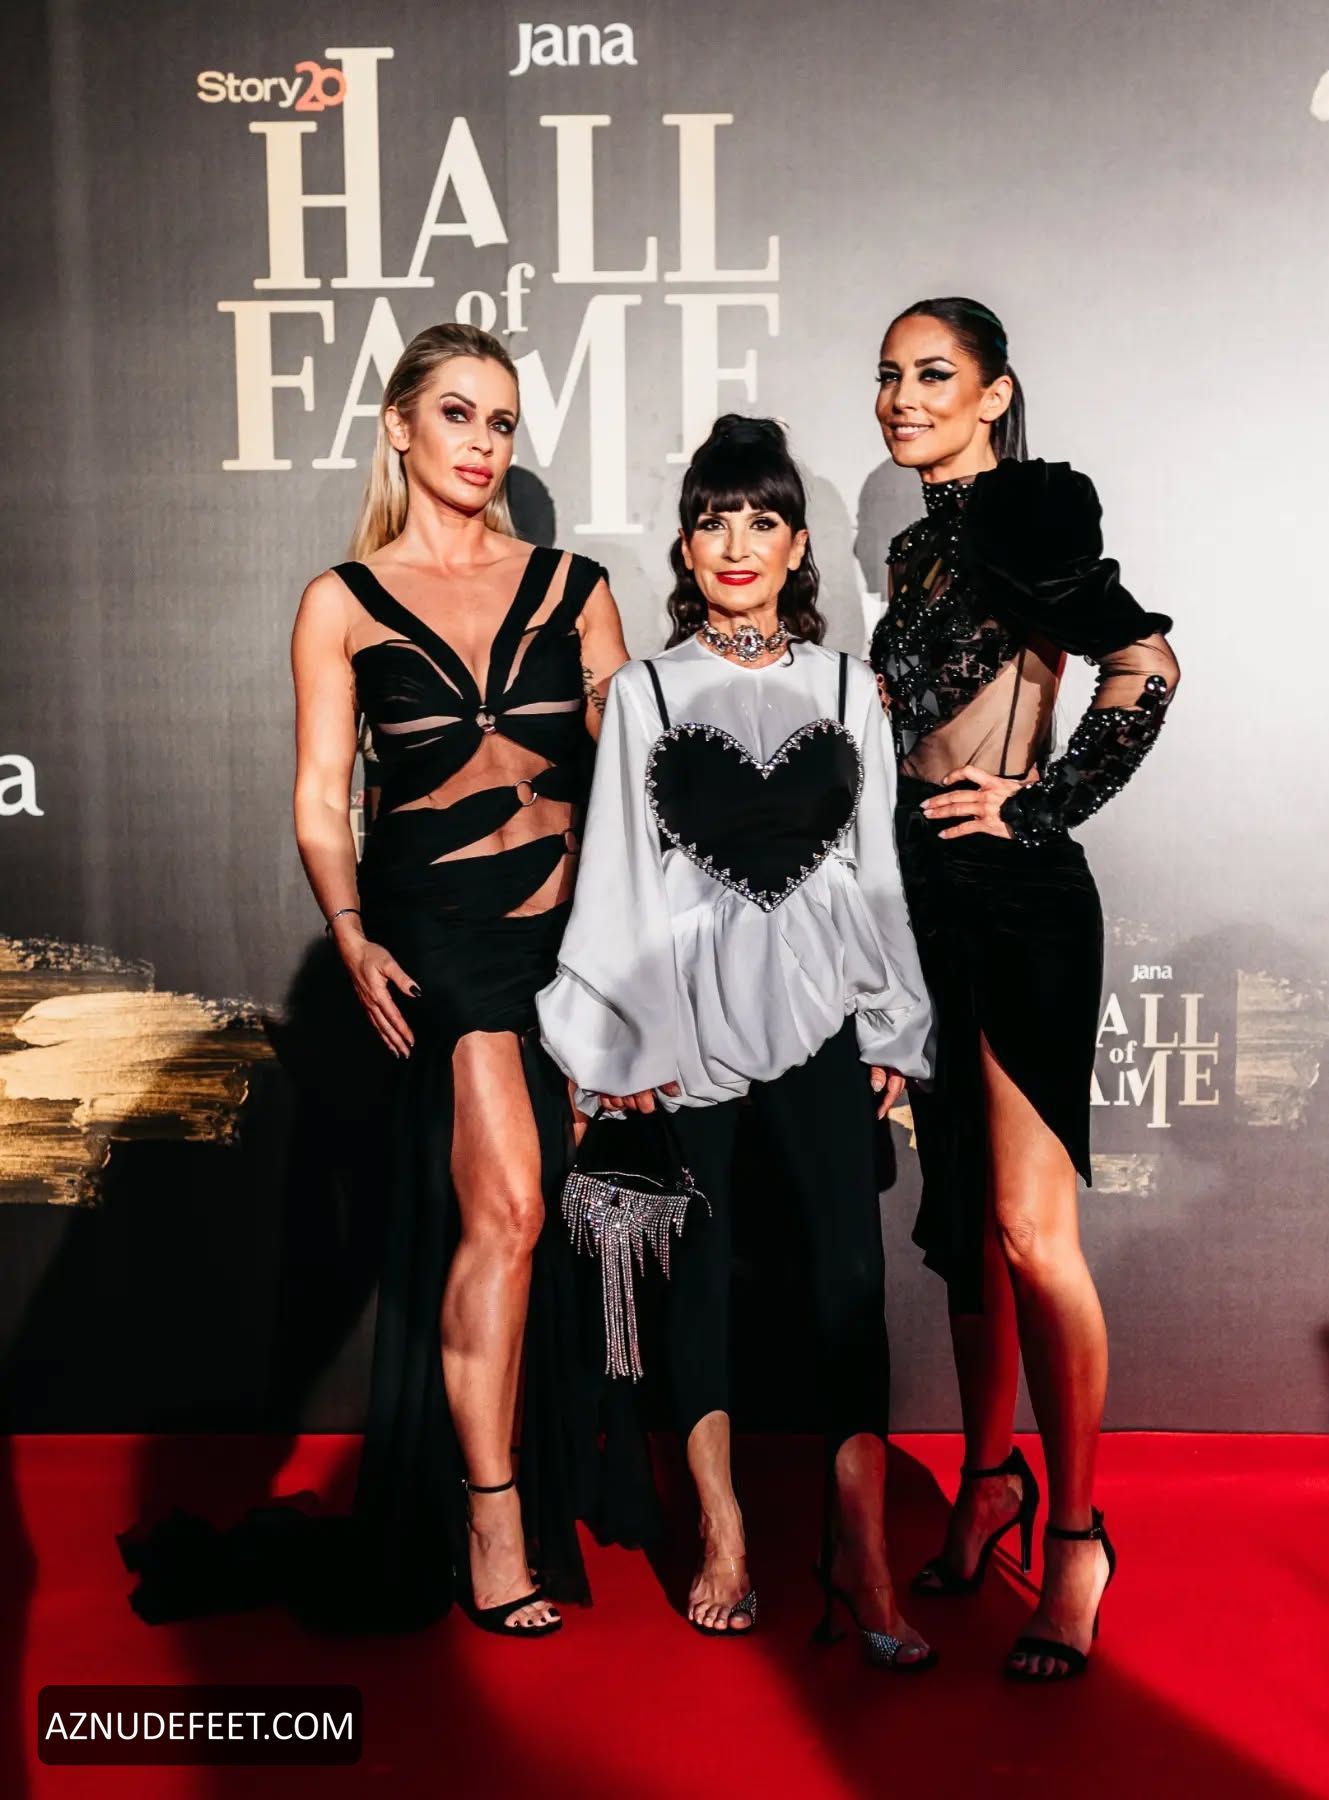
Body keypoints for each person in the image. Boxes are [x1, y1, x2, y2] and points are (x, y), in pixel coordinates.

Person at [120, 323, 628, 1637]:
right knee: (510, 1209)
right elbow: (319, 793)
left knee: (524, 1224)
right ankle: (492, 1514)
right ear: (399, 425)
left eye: (502, 421)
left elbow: (633, 772)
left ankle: (508, 1476)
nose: (482, 443)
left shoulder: (576, 586)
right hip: (439, 936)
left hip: (567, 938)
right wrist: (348, 932)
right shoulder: (340, 602)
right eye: (456, 413)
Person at [537, 415, 938, 1671]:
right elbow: (619, 872)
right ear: (686, 544)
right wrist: (624, 1038)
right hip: (688, 1020)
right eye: (714, 520)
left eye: (763, 520)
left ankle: (862, 1551)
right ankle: (723, 1531)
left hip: (823, 1013)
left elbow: (877, 870)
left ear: (799, 545)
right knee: (700, 1272)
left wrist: (895, 1016)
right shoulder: (644, 694)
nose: (737, 543)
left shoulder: (848, 690)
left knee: (849, 1279)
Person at [869, 297, 1180, 1681]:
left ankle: (1077, 1537)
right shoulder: (915, 546)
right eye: (889, 375)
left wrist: (1042, 803)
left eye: (934, 374)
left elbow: (1145, 661)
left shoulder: (1027, 511)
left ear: (995, 394)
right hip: (923, 895)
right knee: (962, 1228)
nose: (903, 396)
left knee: (1029, 1229)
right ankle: (987, 1480)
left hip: (1017, 902)